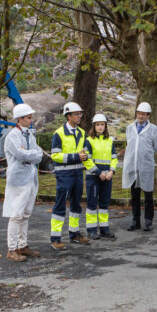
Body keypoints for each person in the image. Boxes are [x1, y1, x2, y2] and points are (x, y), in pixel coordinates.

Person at [3, 103, 44, 262]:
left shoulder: (29, 135)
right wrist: (32, 153)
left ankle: (22, 245)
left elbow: (38, 154)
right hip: (18, 178)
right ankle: (12, 248)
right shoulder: (12, 136)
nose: (31, 120)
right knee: (16, 214)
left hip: (30, 176)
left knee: (26, 213)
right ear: (20, 119)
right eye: (28, 117)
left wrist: (31, 153)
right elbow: (22, 155)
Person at [50, 102, 91, 250]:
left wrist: (85, 157)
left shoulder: (82, 133)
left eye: (80, 114)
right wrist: (75, 156)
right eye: (76, 114)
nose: (79, 116)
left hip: (78, 174)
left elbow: (85, 153)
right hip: (64, 174)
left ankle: (74, 234)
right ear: (68, 116)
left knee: (76, 205)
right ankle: (55, 239)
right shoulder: (59, 133)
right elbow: (55, 155)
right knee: (60, 205)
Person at [123, 102, 157, 232]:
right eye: (139, 113)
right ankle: (135, 221)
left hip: (146, 167)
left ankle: (148, 221)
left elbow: (155, 146)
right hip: (133, 167)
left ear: (148, 115)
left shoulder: (154, 129)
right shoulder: (130, 128)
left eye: (143, 114)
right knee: (135, 196)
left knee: (148, 196)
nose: (141, 116)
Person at [84, 113, 118, 241]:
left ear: (105, 126)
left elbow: (114, 159)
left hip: (107, 176)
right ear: (94, 126)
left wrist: (111, 172)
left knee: (104, 203)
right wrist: (99, 172)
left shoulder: (110, 140)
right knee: (92, 203)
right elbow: (87, 160)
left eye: (102, 125)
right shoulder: (89, 140)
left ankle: (104, 229)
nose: (100, 127)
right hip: (93, 176)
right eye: (97, 125)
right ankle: (92, 230)